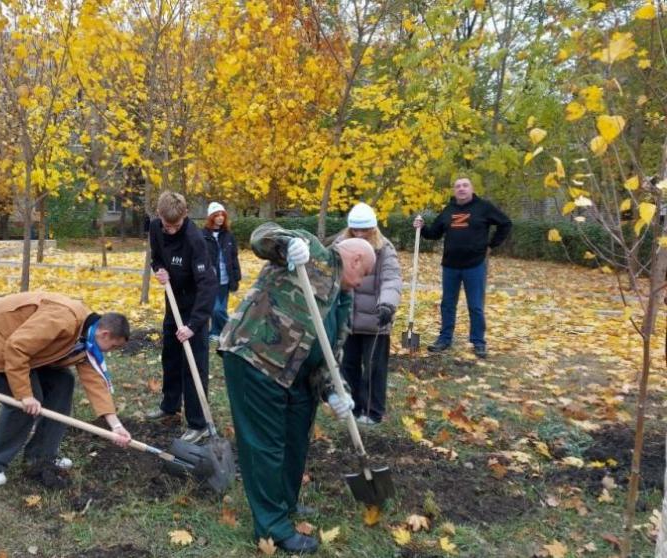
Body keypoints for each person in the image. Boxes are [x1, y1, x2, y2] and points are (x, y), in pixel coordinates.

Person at [218, 222, 373, 554]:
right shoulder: (312, 250)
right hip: (256, 357)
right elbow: (262, 236)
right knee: (266, 445)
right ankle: (272, 527)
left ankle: (285, 504)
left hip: (298, 376)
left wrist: (336, 392)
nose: (361, 284)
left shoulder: (342, 302)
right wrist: (287, 247)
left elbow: (332, 357)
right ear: (356, 259)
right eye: (365, 275)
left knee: (296, 439)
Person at [0, 292, 133, 489]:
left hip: (28, 349)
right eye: (113, 346)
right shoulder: (63, 320)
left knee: (63, 382)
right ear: (105, 334)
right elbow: (16, 347)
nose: (110, 351)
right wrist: (25, 395)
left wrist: (115, 425)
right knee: (24, 404)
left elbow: (95, 382)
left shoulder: (88, 338)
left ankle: (41, 455)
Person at [146, 191, 218, 443]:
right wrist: (159, 270)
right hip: (173, 302)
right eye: (168, 226)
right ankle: (169, 405)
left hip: (195, 306)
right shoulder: (156, 228)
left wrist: (194, 325)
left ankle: (198, 423)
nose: (172, 230)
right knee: (171, 357)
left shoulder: (195, 239)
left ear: (185, 216)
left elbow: (209, 285)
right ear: (159, 217)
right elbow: (156, 259)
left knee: (194, 365)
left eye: (177, 225)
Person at [413, 177, 512, 359]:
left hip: (475, 265)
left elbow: (505, 224)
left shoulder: (484, 207)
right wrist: (422, 228)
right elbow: (434, 233)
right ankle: (444, 339)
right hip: (450, 266)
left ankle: (478, 342)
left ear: (472, 189)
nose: (461, 189)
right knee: (448, 305)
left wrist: (491, 245)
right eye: (458, 186)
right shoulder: (448, 210)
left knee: (475, 306)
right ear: (454, 191)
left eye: (465, 185)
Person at [334, 203, 402, 425]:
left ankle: (373, 411)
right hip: (348, 320)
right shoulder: (340, 246)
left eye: (365, 230)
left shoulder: (385, 249)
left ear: (374, 228)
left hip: (375, 319)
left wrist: (387, 305)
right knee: (348, 365)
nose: (360, 234)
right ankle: (353, 408)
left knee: (374, 368)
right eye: (355, 230)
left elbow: (391, 279)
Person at [202, 202, 241, 342]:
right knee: (216, 309)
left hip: (226, 278)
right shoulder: (203, 235)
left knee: (221, 308)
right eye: (216, 215)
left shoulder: (228, 235)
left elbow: (234, 257)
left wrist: (236, 277)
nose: (220, 218)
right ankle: (234, 330)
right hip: (210, 279)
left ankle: (216, 332)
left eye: (222, 215)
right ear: (210, 217)